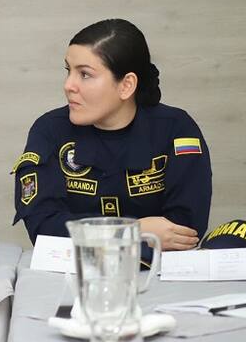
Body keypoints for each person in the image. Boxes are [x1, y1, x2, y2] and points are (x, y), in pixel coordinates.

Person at [12, 18, 212, 252]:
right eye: (68, 71)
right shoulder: (49, 130)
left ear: (126, 85)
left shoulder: (176, 129)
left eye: (84, 74)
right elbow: (43, 228)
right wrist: (133, 231)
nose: (68, 85)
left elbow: (183, 233)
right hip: (75, 278)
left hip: (157, 278)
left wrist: (93, 241)